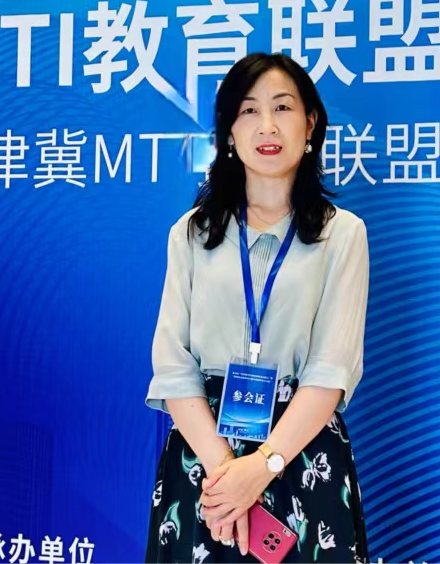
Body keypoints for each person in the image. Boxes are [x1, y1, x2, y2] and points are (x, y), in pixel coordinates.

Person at [144, 51, 370, 564]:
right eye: (248, 110)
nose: (267, 125)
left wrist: (262, 466)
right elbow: (173, 365)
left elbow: (331, 369)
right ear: (228, 131)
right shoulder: (191, 233)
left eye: (282, 107)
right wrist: (227, 473)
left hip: (301, 455)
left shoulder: (342, 234)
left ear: (310, 124)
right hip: (206, 466)